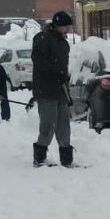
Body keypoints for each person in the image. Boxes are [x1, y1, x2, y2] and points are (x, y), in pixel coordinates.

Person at [31, 11, 74, 168]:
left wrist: (65, 83)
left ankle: (67, 159)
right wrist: (55, 74)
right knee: (48, 124)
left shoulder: (64, 43)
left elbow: (63, 68)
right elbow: (39, 61)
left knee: (64, 125)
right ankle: (40, 158)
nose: (69, 28)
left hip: (61, 91)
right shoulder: (43, 38)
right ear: (59, 25)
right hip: (46, 90)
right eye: (67, 25)